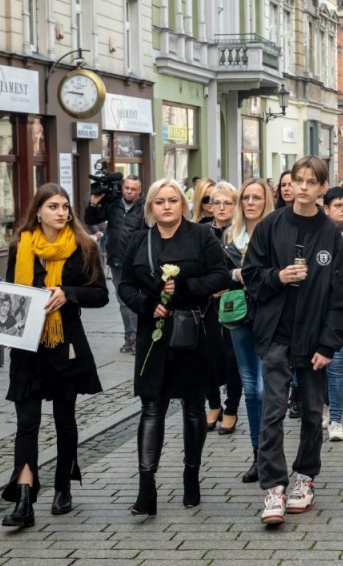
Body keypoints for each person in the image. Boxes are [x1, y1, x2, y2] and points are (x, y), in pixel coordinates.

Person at [242, 156, 343, 525]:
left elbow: (341, 297)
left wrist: (328, 345)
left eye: (311, 182)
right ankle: (274, 486)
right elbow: (252, 275)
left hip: (314, 338)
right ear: (289, 184)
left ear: (323, 187)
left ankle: (304, 477)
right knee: (272, 412)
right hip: (275, 333)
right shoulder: (271, 226)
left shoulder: (332, 236)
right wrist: (279, 276)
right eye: (298, 180)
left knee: (310, 412)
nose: (303, 187)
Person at [118, 179, 230, 516]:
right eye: (159, 202)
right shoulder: (140, 240)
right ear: (150, 207)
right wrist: (146, 303)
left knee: (193, 406)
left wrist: (183, 288)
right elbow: (124, 285)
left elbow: (221, 276)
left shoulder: (201, 236)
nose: (166, 207)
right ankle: (146, 486)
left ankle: (191, 477)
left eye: (173, 200)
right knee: (152, 407)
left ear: (182, 203)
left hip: (192, 333)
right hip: (153, 334)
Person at [1, 183, 108, 528]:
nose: (61, 212)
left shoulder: (84, 247)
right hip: (28, 345)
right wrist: (5, 329)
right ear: (38, 212)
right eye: (53, 206)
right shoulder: (21, 246)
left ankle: (63, 486)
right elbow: (11, 293)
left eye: (65, 206)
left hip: (66, 346)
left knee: (65, 419)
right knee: (27, 423)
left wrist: (68, 293)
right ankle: (24, 498)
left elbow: (101, 295)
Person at [223, 177, 274, 482]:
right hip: (239, 314)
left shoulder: (274, 233)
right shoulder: (231, 236)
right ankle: (256, 454)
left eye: (257, 197)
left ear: (265, 201)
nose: (251, 202)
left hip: (268, 314)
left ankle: (269, 452)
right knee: (250, 387)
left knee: (265, 387)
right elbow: (219, 273)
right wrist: (235, 272)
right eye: (246, 198)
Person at [83, 174, 144, 354]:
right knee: (123, 301)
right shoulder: (114, 204)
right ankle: (130, 338)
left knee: (139, 299)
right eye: (127, 188)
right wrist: (93, 203)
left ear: (140, 190)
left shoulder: (145, 207)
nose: (129, 192)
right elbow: (91, 220)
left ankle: (140, 338)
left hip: (138, 261)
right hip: (117, 260)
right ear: (123, 187)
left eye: (133, 189)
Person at [206, 182, 243, 434]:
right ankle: (213, 404)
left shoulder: (239, 234)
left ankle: (230, 409)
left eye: (226, 202)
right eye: (216, 202)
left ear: (235, 205)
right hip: (207, 301)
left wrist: (227, 284)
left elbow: (247, 269)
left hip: (232, 301)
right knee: (207, 356)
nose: (220, 207)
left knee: (232, 358)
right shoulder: (201, 231)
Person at [323, 186, 343, 442]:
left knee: (336, 367)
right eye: (338, 206)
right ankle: (322, 407)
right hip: (316, 311)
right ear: (326, 209)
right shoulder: (317, 235)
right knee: (316, 366)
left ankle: (336, 418)